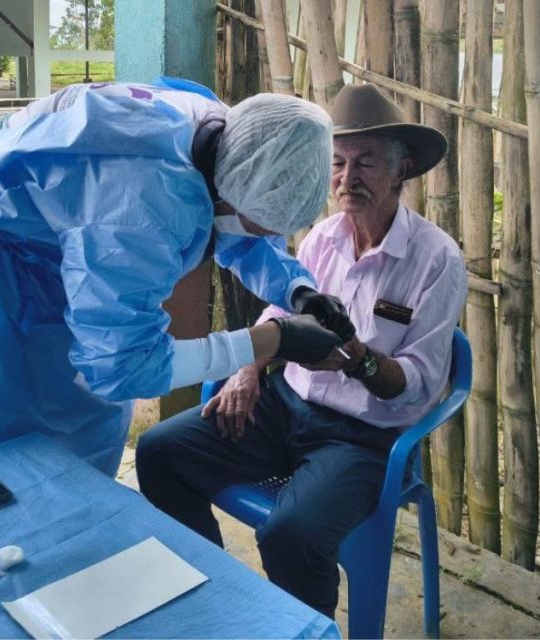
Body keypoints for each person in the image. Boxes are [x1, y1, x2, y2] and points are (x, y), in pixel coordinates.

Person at [0, 77, 355, 492]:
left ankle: (61, 521)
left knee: (73, 416)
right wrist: (271, 340)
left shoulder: (233, 139)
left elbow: (235, 227)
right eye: (266, 225)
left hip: (48, 240)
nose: (266, 237)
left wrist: (298, 290)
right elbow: (122, 368)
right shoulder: (142, 209)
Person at [136, 83, 468, 618]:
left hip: (362, 438)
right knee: (159, 453)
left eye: (365, 162)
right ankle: (216, 602)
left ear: (400, 170)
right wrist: (248, 370)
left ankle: (306, 631)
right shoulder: (322, 236)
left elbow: (419, 385)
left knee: (290, 535)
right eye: (336, 163)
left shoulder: (436, 260)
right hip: (284, 406)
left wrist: (356, 358)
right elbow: (279, 311)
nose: (347, 178)